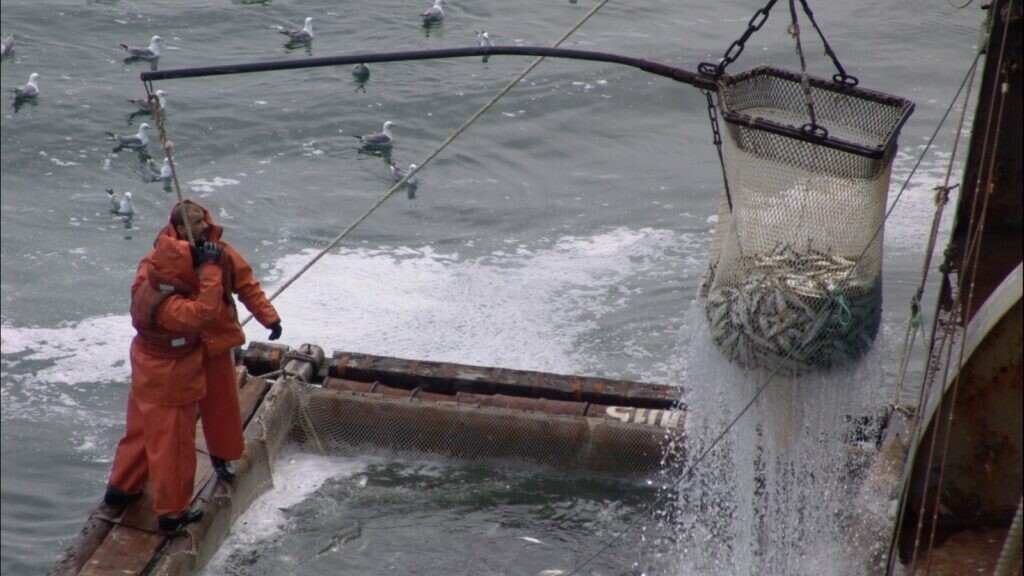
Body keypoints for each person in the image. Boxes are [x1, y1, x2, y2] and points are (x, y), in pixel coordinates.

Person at [104, 203, 227, 533]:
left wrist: (188, 257)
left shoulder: (148, 276)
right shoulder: (173, 308)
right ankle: (172, 513)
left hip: (145, 368)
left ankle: (121, 489)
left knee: (140, 433)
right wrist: (211, 269)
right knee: (174, 447)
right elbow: (205, 313)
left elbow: (167, 258)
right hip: (173, 379)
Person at [176, 200, 281, 484]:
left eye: (204, 220)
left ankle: (221, 457)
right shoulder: (168, 257)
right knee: (176, 412)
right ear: (180, 229)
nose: (204, 226)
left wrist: (269, 318)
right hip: (181, 347)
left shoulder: (222, 252)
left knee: (222, 405)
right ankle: (169, 467)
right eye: (196, 223)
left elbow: (246, 285)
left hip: (218, 343)